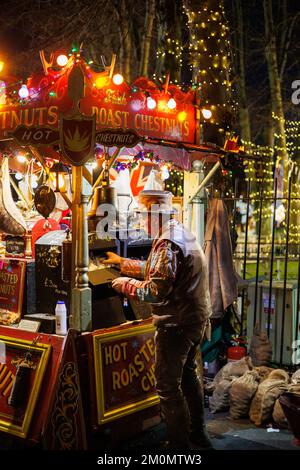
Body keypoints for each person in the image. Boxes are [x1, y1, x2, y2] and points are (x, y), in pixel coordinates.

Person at [104, 190, 212, 449]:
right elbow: (162, 270)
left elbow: (155, 290)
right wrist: (124, 263)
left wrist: (125, 284)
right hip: (195, 319)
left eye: (142, 215)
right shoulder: (179, 233)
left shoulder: (167, 243)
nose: (141, 221)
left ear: (155, 215)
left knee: (167, 386)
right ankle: (197, 434)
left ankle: (179, 446)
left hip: (177, 324)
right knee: (187, 376)